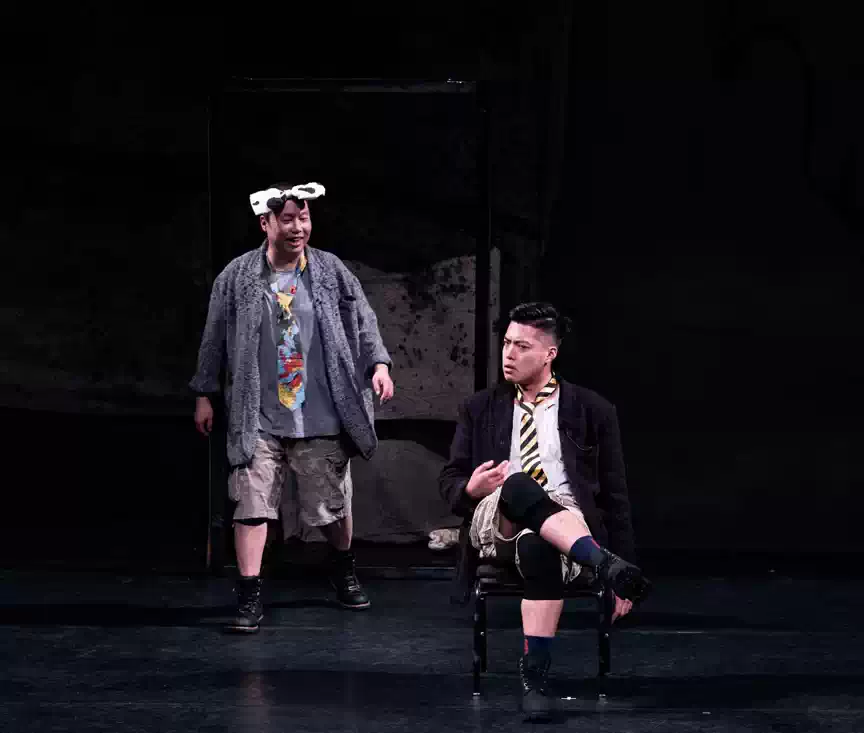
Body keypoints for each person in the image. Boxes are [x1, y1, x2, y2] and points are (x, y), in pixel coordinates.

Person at [191, 181, 394, 633]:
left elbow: (364, 319)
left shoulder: (329, 270)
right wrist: (204, 392)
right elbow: (214, 336)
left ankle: (342, 568)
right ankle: (249, 596)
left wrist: (379, 364)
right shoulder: (238, 276)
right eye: (288, 219)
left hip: (319, 413)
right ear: (265, 223)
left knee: (331, 505)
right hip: (258, 415)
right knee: (250, 503)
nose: (298, 227)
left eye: (304, 218)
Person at [439, 302, 650, 721]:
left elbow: (615, 494)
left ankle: (534, 680)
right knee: (519, 485)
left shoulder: (592, 409)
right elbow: (450, 482)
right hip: (497, 516)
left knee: (539, 547)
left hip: (565, 522)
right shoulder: (479, 407)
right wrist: (470, 488)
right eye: (506, 343)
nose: (508, 354)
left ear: (550, 353)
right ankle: (603, 562)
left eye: (522, 346)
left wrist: (627, 565)